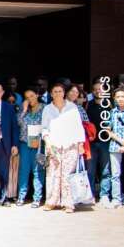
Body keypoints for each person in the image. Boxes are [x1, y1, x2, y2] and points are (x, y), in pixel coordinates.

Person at [41, 83, 85, 213]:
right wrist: (47, 142)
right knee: (53, 174)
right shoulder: (47, 109)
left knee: (67, 175)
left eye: (60, 91)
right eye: (55, 91)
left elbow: (78, 127)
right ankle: (51, 202)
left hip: (70, 145)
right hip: (53, 145)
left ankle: (68, 203)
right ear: (51, 93)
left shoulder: (72, 108)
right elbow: (44, 128)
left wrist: (81, 144)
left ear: (64, 93)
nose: (58, 94)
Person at [16, 87, 45, 208]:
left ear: (37, 95)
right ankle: (21, 197)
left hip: (39, 143)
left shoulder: (45, 108)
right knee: (24, 171)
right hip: (25, 143)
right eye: (27, 97)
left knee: (38, 171)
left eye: (32, 96)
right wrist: (24, 109)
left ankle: (37, 198)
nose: (30, 99)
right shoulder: (23, 109)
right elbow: (18, 123)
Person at [87, 78, 112, 204]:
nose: (98, 91)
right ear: (92, 91)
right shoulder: (88, 104)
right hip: (91, 143)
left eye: (100, 89)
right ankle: (90, 195)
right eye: (95, 89)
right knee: (90, 170)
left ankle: (104, 195)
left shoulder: (110, 104)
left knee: (106, 170)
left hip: (106, 143)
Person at [106, 88, 124, 209]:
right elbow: (108, 130)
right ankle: (116, 199)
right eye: (118, 97)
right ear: (114, 98)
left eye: (122, 96)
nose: (120, 99)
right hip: (115, 146)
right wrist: (121, 142)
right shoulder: (112, 112)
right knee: (115, 174)